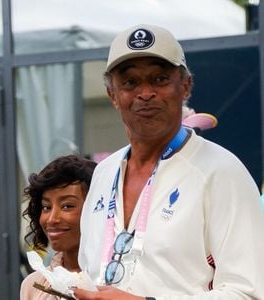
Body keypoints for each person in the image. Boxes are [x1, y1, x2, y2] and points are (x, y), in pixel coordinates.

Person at [73, 24, 264, 300]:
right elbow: (90, 272)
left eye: (160, 79)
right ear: (112, 95)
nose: (146, 93)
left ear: (185, 87)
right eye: (130, 82)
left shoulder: (221, 172)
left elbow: (249, 292)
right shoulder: (104, 173)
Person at [20, 155, 97, 299]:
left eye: (67, 206)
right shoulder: (33, 285)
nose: (52, 219)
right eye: (46, 207)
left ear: (97, 210)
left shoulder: (116, 282)